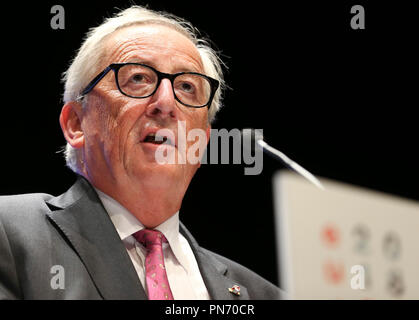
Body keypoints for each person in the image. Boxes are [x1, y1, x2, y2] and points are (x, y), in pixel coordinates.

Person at [0, 5, 285, 300]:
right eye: (137, 78)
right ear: (76, 124)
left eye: (187, 86)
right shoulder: (9, 233)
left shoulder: (262, 295)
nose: (166, 102)